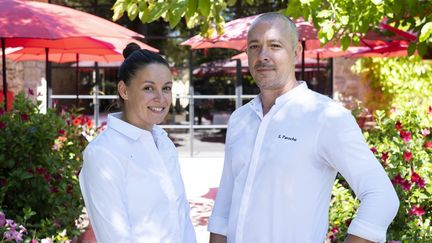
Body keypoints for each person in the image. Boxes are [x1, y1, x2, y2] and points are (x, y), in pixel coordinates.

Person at [208, 13, 399, 243]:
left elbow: (382, 197)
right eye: (254, 46)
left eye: (275, 45)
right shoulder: (240, 119)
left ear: (296, 52)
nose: (263, 55)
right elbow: (223, 208)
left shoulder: (326, 117)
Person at [79, 43, 196, 243]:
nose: (161, 98)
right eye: (148, 88)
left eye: (166, 88)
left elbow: (182, 217)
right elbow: (115, 237)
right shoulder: (103, 153)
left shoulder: (164, 143)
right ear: (124, 90)